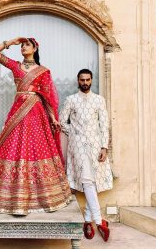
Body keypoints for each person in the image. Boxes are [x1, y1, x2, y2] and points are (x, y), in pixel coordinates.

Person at [0, 37, 71, 215]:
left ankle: (44, 197)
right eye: (22, 45)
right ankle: (13, 199)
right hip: (18, 112)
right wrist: (10, 42)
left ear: (35, 48)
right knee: (15, 146)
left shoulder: (43, 71)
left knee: (38, 149)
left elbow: (47, 96)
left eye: (27, 44)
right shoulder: (15, 66)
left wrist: (53, 117)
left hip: (37, 113)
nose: (23, 47)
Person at [59, 69, 113, 242]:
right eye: (82, 80)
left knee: (93, 181)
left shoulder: (99, 100)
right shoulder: (71, 100)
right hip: (78, 147)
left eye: (88, 80)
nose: (85, 82)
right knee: (88, 181)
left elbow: (104, 125)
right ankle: (99, 222)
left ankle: (87, 220)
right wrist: (73, 134)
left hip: (96, 146)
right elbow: (61, 122)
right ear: (78, 80)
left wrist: (104, 147)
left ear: (91, 80)